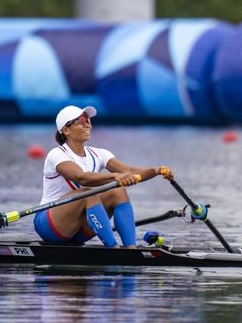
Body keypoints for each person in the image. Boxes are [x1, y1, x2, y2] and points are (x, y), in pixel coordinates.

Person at [34, 105, 173, 248]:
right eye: (81, 120)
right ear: (65, 129)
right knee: (88, 193)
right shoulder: (56, 154)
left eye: (88, 120)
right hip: (49, 226)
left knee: (117, 191)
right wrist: (115, 177)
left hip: (79, 230)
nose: (87, 124)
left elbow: (129, 171)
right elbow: (82, 177)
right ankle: (112, 247)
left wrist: (156, 171)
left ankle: (131, 248)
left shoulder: (98, 154)